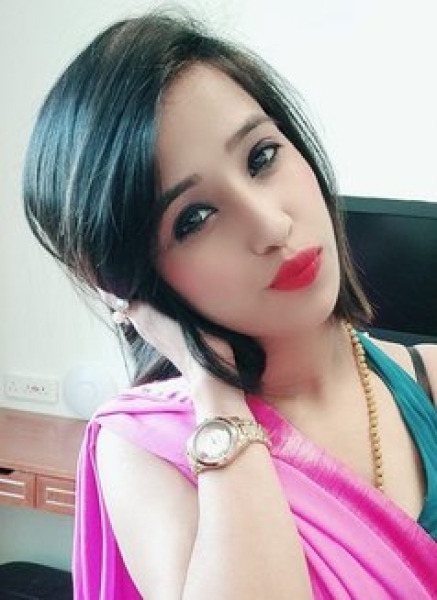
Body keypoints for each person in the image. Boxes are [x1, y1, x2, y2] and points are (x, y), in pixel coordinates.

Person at [23, 10, 437, 600]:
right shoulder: (145, 452)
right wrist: (215, 395)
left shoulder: (427, 380)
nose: (271, 225)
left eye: (261, 157)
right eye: (194, 217)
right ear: (132, 283)